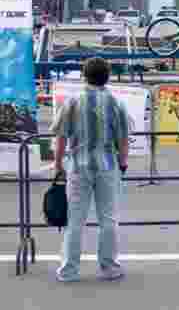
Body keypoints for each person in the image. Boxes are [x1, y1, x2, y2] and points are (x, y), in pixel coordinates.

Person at [52, 57, 130, 283]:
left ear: (84, 76)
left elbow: (61, 138)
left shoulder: (72, 102)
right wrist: (122, 164)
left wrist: (58, 166)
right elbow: (123, 140)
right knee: (108, 218)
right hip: (107, 165)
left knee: (75, 220)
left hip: (78, 165)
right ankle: (109, 267)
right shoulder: (116, 103)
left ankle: (69, 270)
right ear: (108, 76)